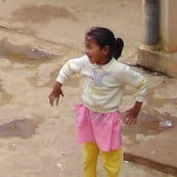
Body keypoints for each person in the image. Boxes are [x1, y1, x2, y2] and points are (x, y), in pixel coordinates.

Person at [48, 26, 148, 177]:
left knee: (110, 160)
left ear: (105, 50)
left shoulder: (119, 70)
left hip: (108, 120)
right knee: (89, 157)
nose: (86, 51)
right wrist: (57, 85)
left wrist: (136, 108)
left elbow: (142, 83)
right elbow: (68, 66)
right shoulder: (86, 62)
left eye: (90, 47)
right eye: (86, 47)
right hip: (88, 116)